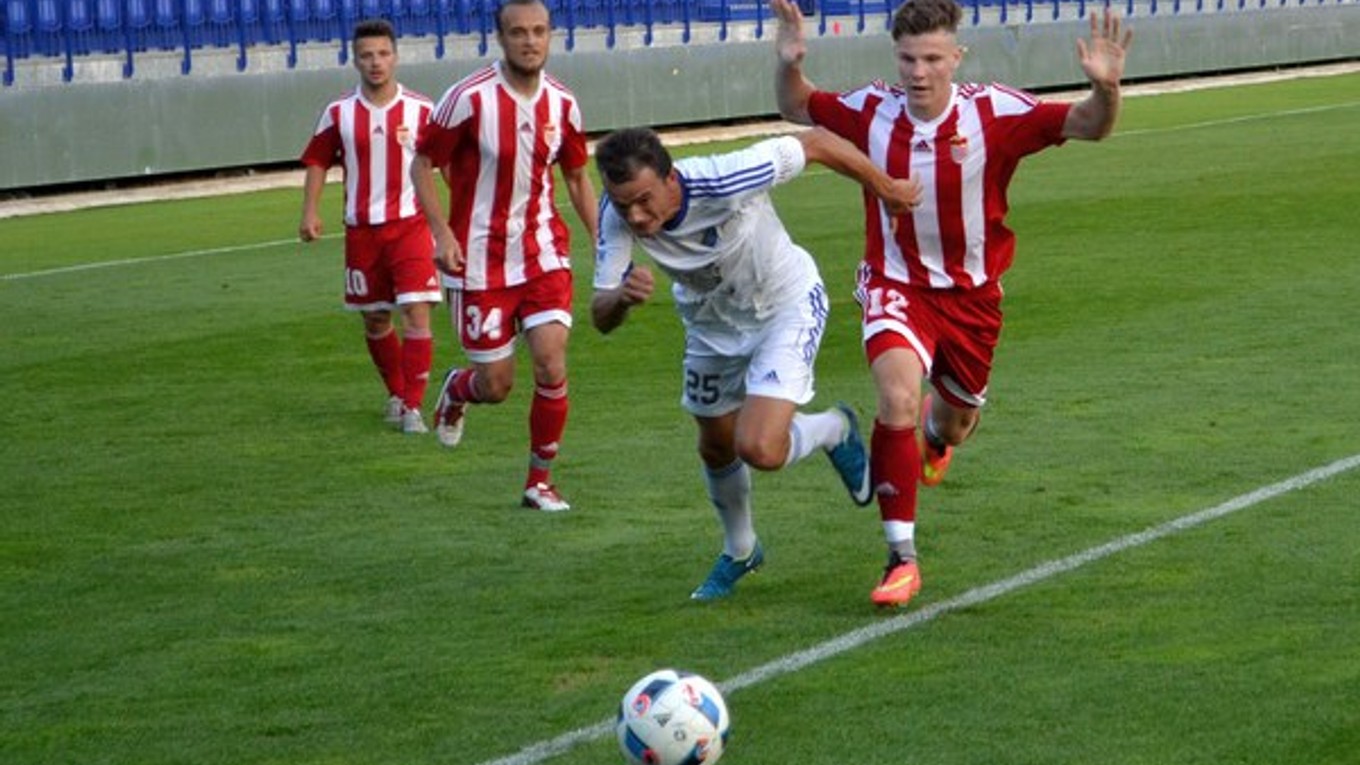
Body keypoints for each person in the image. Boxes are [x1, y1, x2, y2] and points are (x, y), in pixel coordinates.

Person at [772, 0, 1133, 607]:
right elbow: (795, 103)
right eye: (909, 58)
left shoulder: (994, 113)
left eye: (933, 59)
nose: (919, 71)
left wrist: (1107, 89)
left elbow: (1090, 124)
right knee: (897, 397)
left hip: (972, 299)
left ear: (956, 58)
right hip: (896, 284)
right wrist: (788, 61)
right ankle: (901, 557)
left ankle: (938, 444)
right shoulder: (870, 111)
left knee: (954, 423)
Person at [591, 126, 921, 601]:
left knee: (760, 448)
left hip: (783, 304)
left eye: (644, 200)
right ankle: (742, 550)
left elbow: (818, 142)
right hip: (709, 323)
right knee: (715, 446)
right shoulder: (616, 215)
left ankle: (833, 429)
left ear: (670, 178)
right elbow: (600, 315)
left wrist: (886, 189)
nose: (636, 217)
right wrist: (621, 299)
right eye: (624, 205)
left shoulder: (727, 176)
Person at [412, 0, 599, 512]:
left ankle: (539, 481)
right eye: (518, 32)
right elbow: (423, 163)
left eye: (539, 31)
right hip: (477, 261)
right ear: (500, 37)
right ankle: (458, 389)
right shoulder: (467, 99)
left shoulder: (563, 104)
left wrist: (602, 240)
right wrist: (441, 233)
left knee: (550, 360)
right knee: (496, 386)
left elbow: (578, 177)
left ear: (551, 35)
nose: (530, 41)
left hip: (543, 253)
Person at [299, 19, 440, 434]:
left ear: (395, 56)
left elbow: (443, 166)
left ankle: (413, 407)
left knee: (417, 315)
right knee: (376, 320)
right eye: (366, 55)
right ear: (354, 60)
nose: (375, 62)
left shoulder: (422, 110)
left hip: (411, 226)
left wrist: (457, 221)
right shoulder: (339, 112)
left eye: (382, 54)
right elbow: (317, 160)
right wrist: (310, 210)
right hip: (362, 231)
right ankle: (397, 394)